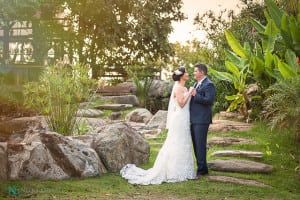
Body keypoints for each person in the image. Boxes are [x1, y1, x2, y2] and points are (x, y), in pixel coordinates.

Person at [120, 67, 195, 185]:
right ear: (181, 76)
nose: (188, 73)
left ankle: (183, 170)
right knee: (176, 142)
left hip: (184, 118)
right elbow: (181, 104)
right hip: (179, 118)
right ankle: (174, 172)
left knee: (183, 142)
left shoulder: (184, 87)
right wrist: (190, 93)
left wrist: (190, 92)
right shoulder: (179, 88)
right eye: (186, 72)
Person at [190, 63, 216, 179]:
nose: (194, 73)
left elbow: (209, 100)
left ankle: (201, 171)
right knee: (196, 145)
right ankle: (202, 168)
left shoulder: (209, 84)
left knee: (200, 145)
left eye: (195, 71)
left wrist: (196, 95)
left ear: (201, 72)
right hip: (194, 119)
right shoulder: (196, 83)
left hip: (201, 120)